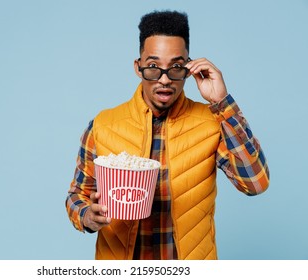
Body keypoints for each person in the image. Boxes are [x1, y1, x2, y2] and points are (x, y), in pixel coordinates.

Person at [65, 10, 270, 260]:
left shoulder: (211, 123)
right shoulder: (102, 125)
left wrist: (222, 103)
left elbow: (255, 183)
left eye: (175, 67)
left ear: (189, 68)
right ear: (137, 68)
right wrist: (87, 216)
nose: (164, 80)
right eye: (153, 67)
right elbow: (78, 195)